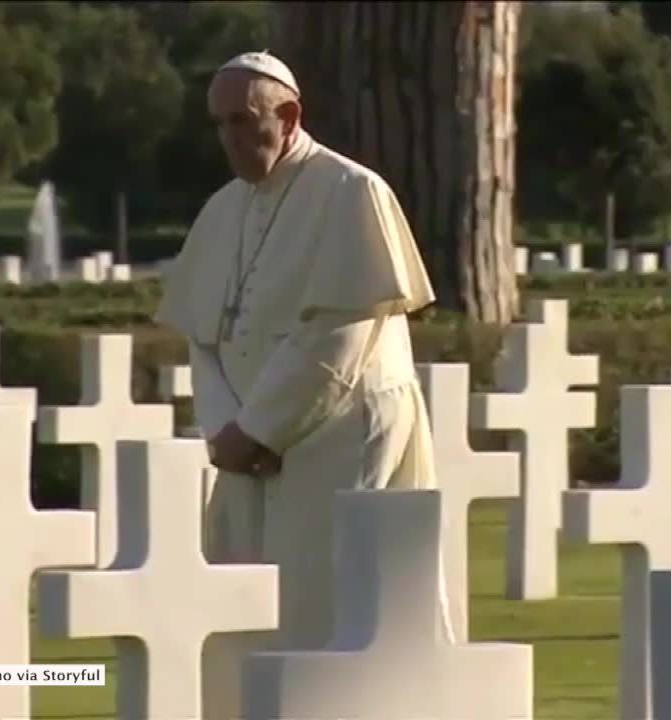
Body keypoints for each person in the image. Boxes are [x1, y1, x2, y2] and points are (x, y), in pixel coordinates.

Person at [154, 50, 454, 711]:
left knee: (328, 608)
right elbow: (204, 337)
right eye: (220, 123)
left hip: (337, 441)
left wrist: (260, 427)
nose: (230, 137)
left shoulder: (352, 192)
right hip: (243, 453)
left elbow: (338, 336)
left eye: (243, 120)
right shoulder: (222, 209)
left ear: (288, 116)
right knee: (241, 616)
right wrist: (225, 431)